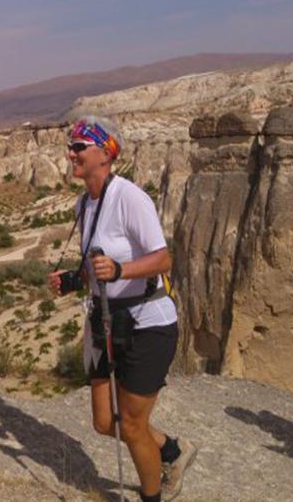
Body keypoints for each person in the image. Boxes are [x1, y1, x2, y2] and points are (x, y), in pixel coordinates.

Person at [48, 116, 196, 502]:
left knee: (130, 425)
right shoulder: (86, 203)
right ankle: (171, 450)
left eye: (78, 147)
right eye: (71, 146)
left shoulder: (129, 197)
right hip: (106, 320)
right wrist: (74, 279)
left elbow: (163, 259)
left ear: (104, 153)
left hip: (147, 322)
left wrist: (119, 270)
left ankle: (152, 496)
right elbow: (96, 264)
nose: (71, 154)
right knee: (103, 422)